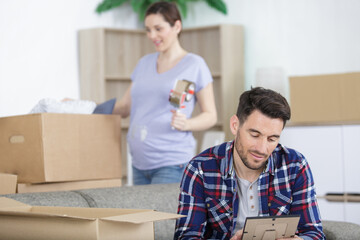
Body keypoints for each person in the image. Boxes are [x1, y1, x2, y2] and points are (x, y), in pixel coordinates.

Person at [174, 87, 325, 240]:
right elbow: (186, 236)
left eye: (272, 139)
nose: (262, 149)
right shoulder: (200, 168)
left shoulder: (295, 165)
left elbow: (314, 233)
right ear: (235, 125)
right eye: (254, 135)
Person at [113, 2, 217, 185]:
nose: (152, 36)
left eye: (158, 29)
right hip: (139, 164)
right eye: (148, 30)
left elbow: (211, 115)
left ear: (177, 26)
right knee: (142, 214)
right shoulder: (144, 63)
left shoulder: (194, 64)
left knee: (163, 215)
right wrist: (85, 107)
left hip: (172, 164)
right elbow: (124, 107)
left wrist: (187, 123)